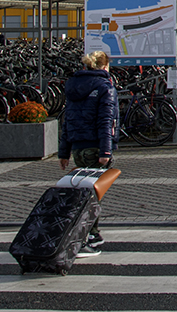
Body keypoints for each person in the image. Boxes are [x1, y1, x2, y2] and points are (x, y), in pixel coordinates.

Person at [57, 50, 119, 257]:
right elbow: (105, 120)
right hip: (95, 145)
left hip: (78, 146)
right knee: (92, 195)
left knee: (82, 191)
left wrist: (63, 151)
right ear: (104, 66)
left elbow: (68, 120)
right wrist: (106, 150)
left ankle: (90, 234)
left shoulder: (73, 86)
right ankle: (87, 236)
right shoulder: (105, 87)